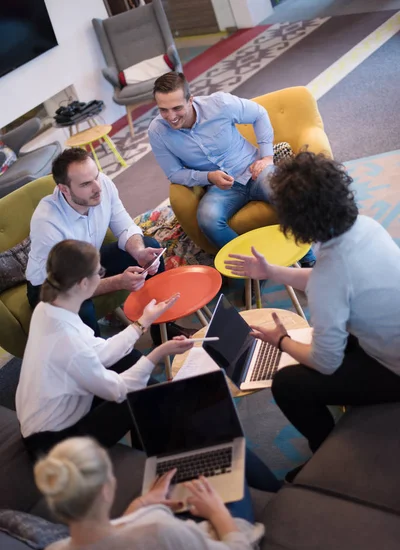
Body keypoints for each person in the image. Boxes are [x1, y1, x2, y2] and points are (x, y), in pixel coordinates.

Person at [224, 151, 400, 467]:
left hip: (394, 371)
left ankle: (325, 453)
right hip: (388, 339)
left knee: (288, 384)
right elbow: (328, 280)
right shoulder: (366, 226)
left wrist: (281, 341)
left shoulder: (330, 277)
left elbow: (325, 362)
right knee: (337, 335)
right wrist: (272, 272)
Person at [16, 239, 194, 459]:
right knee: (142, 396)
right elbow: (117, 390)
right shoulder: (69, 341)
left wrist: (143, 322)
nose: (102, 275)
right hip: (56, 446)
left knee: (135, 370)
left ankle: (158, 444)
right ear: (83, 283)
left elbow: (100, 351)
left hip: (48, 418)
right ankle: (151, 461)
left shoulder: (48, 307)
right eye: (98, 271)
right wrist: (161, 351)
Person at [34, 436, 268, 550]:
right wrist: (216, 512)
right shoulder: (161, 534)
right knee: (234, 451)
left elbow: (112, 543)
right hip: (189, 549)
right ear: (106, 490)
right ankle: (276, 489)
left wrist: (143, 503)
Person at [148, 72, 315, 266]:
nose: (171, 117)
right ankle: (252, 269)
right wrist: (209, 177)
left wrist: (267, 157)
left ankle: (307, 257)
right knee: (207, 219)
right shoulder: (157, 132)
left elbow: (259, 114)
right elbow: (174, 173)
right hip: (220, 187)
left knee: (284, 193)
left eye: (177, 108)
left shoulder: (220, 104)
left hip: (255, 170)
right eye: (163, 110)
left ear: (190, 100)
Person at [26, 147, 185, 341]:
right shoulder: (48, 223)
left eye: (96, 176)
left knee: (149, 248)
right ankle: (99, 360)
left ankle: (164, 331)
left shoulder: (102, 185)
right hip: (53, 287)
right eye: (86, 184)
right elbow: (70, 286)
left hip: (89, 261)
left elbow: (125, 225)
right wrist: (119, 281)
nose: (97, 187)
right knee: (79, 307)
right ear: (64, 189)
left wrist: (139, 252)